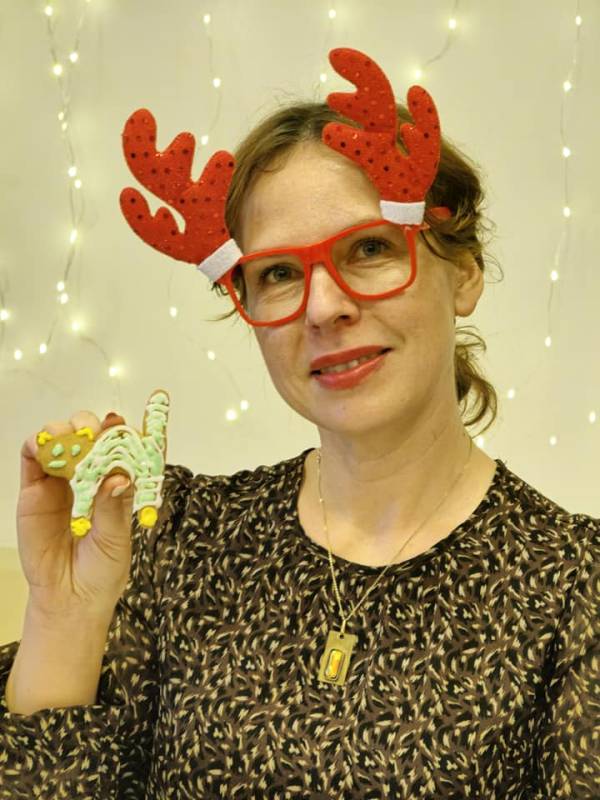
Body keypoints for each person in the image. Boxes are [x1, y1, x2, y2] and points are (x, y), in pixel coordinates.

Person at [1, 47, 599, 799]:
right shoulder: (170, 535)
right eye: (279, 273)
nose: (323, 307)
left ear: (465, 272)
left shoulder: (576, 588)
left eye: (370, 249)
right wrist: (65, 613)